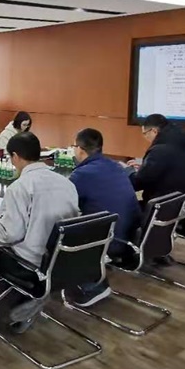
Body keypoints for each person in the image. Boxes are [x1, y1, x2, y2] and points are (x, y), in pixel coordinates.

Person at [0, 132, 79, 332]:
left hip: (32, 265)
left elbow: (8, 235)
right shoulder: (67, 183)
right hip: (65, 259)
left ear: (15, 156)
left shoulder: (20, 188)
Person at [67, 128, 141, 305]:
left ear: (80, 150)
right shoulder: (116, 166)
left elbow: (64, 204)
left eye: (74, 146)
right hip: (131, 236)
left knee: (58, 229)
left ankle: (92, 285)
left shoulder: (81, 175)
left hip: (109, 241)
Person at [129, 114, 185, 211]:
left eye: (145, 133)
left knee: (127, 203)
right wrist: (145, 167)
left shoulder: (159, 150)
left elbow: (140, 182)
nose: (145, 137)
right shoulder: (184, 144)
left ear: (154, 131)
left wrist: (128, 171)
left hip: (163, 207)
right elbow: (173, 168)